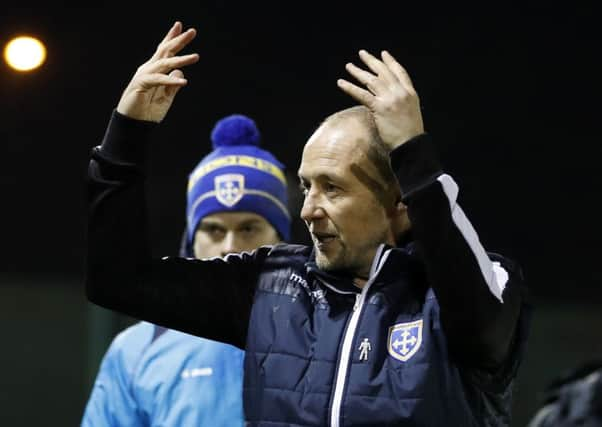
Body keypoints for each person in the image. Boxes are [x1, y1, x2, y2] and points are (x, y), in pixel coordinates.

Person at [85, 21, 530, 426]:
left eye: (332, 189)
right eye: (306, 187)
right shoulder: (273, 289)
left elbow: (482, 326)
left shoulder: (476, 285)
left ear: (399, 202)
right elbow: (116, 280)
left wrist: (414, 154)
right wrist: (127, 133)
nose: (308, 210)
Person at [81, 113, 291, 426]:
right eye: (214, 230)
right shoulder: (136, 349)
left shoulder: (322, 330)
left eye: (249, 228)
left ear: (281, 237)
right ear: (191, 239)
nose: (229, 246)